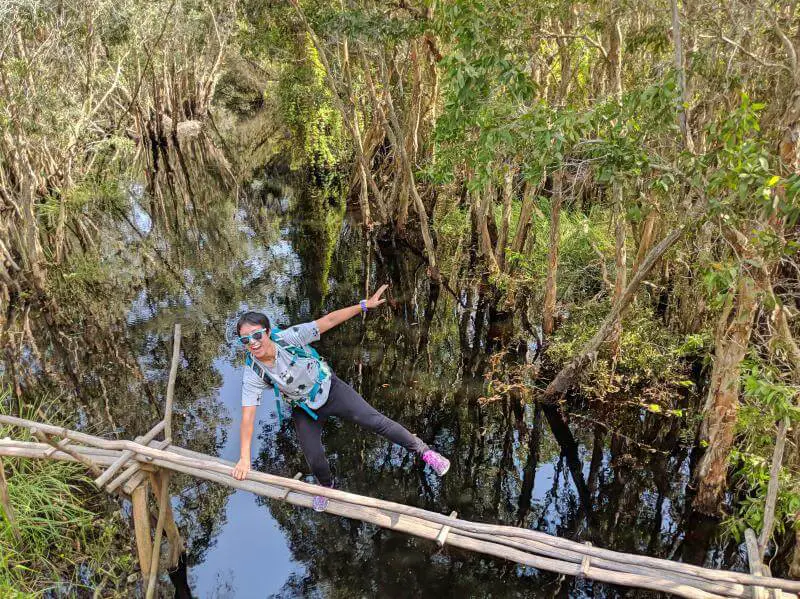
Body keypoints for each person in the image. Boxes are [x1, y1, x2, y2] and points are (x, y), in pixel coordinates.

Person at [232, 284, 451, 511]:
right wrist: (244, 458)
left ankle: (425, 451)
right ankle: (327, 486)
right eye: (245, 340)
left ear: (267, 332)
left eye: (256, 335)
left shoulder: (289, 338)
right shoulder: (253, 372)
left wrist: (363, 305)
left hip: (331, 389)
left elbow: (328, 321)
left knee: (375, 421)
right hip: (305, 408)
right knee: (314, 456)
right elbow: (248, 418)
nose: (253, 343)